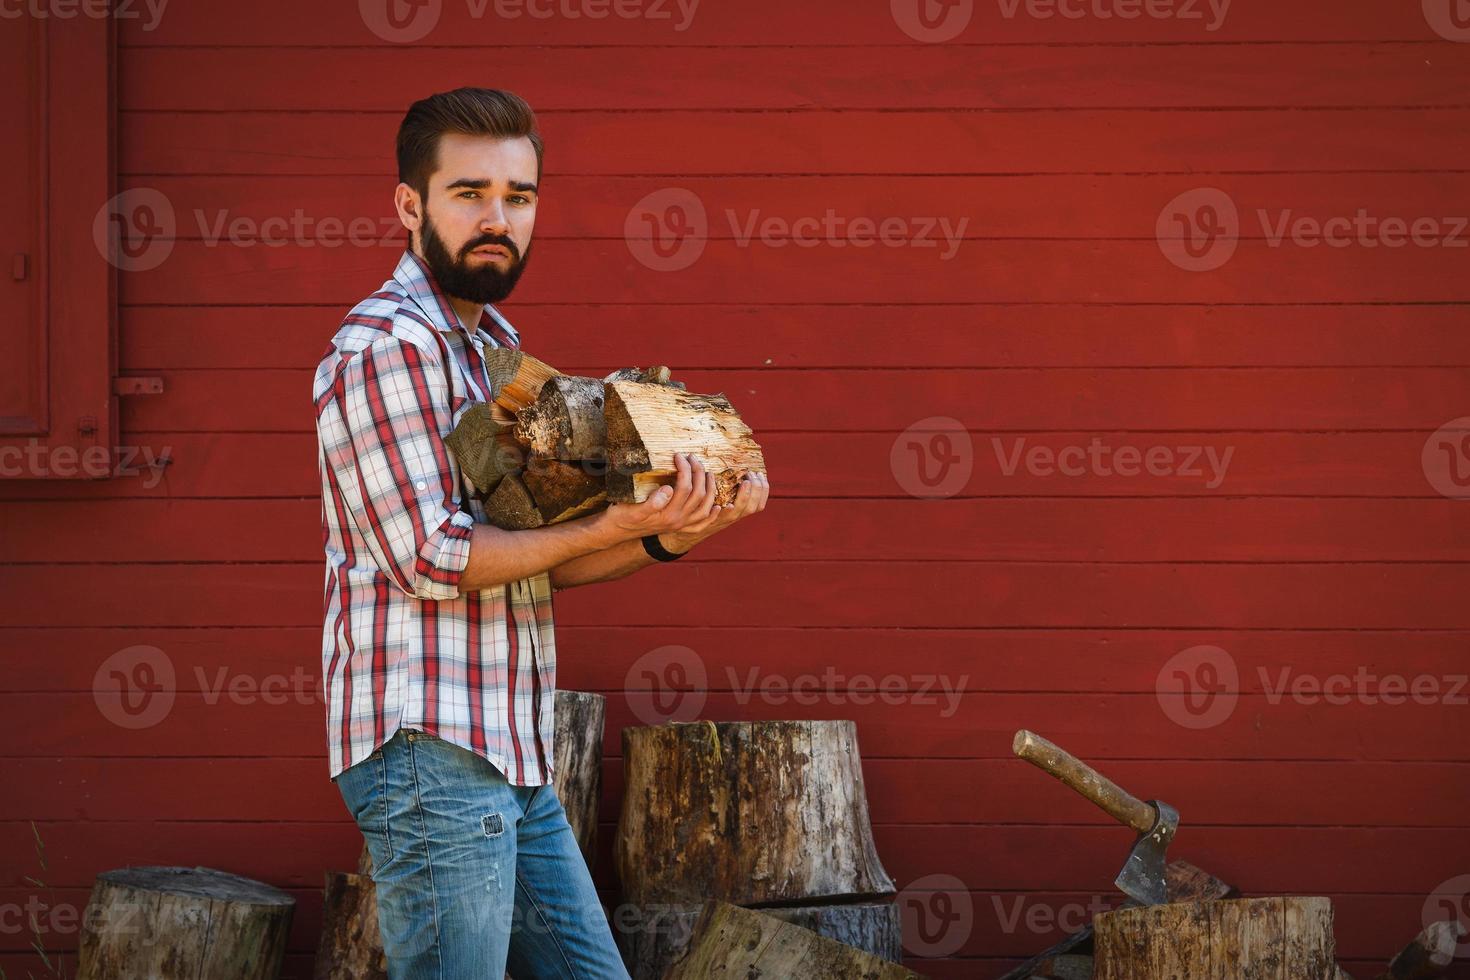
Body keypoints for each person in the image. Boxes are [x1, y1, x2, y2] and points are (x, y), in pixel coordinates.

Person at [312, 87, 769, 979]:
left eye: (518, 197)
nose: (497, 218)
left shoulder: (493, 351)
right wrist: (613, 519)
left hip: (506, 752)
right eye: (469, 193)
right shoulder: (387, 348)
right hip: (431, 752)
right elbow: (438, 556)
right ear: (410, 205)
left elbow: (532, 566)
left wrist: (669, 531)